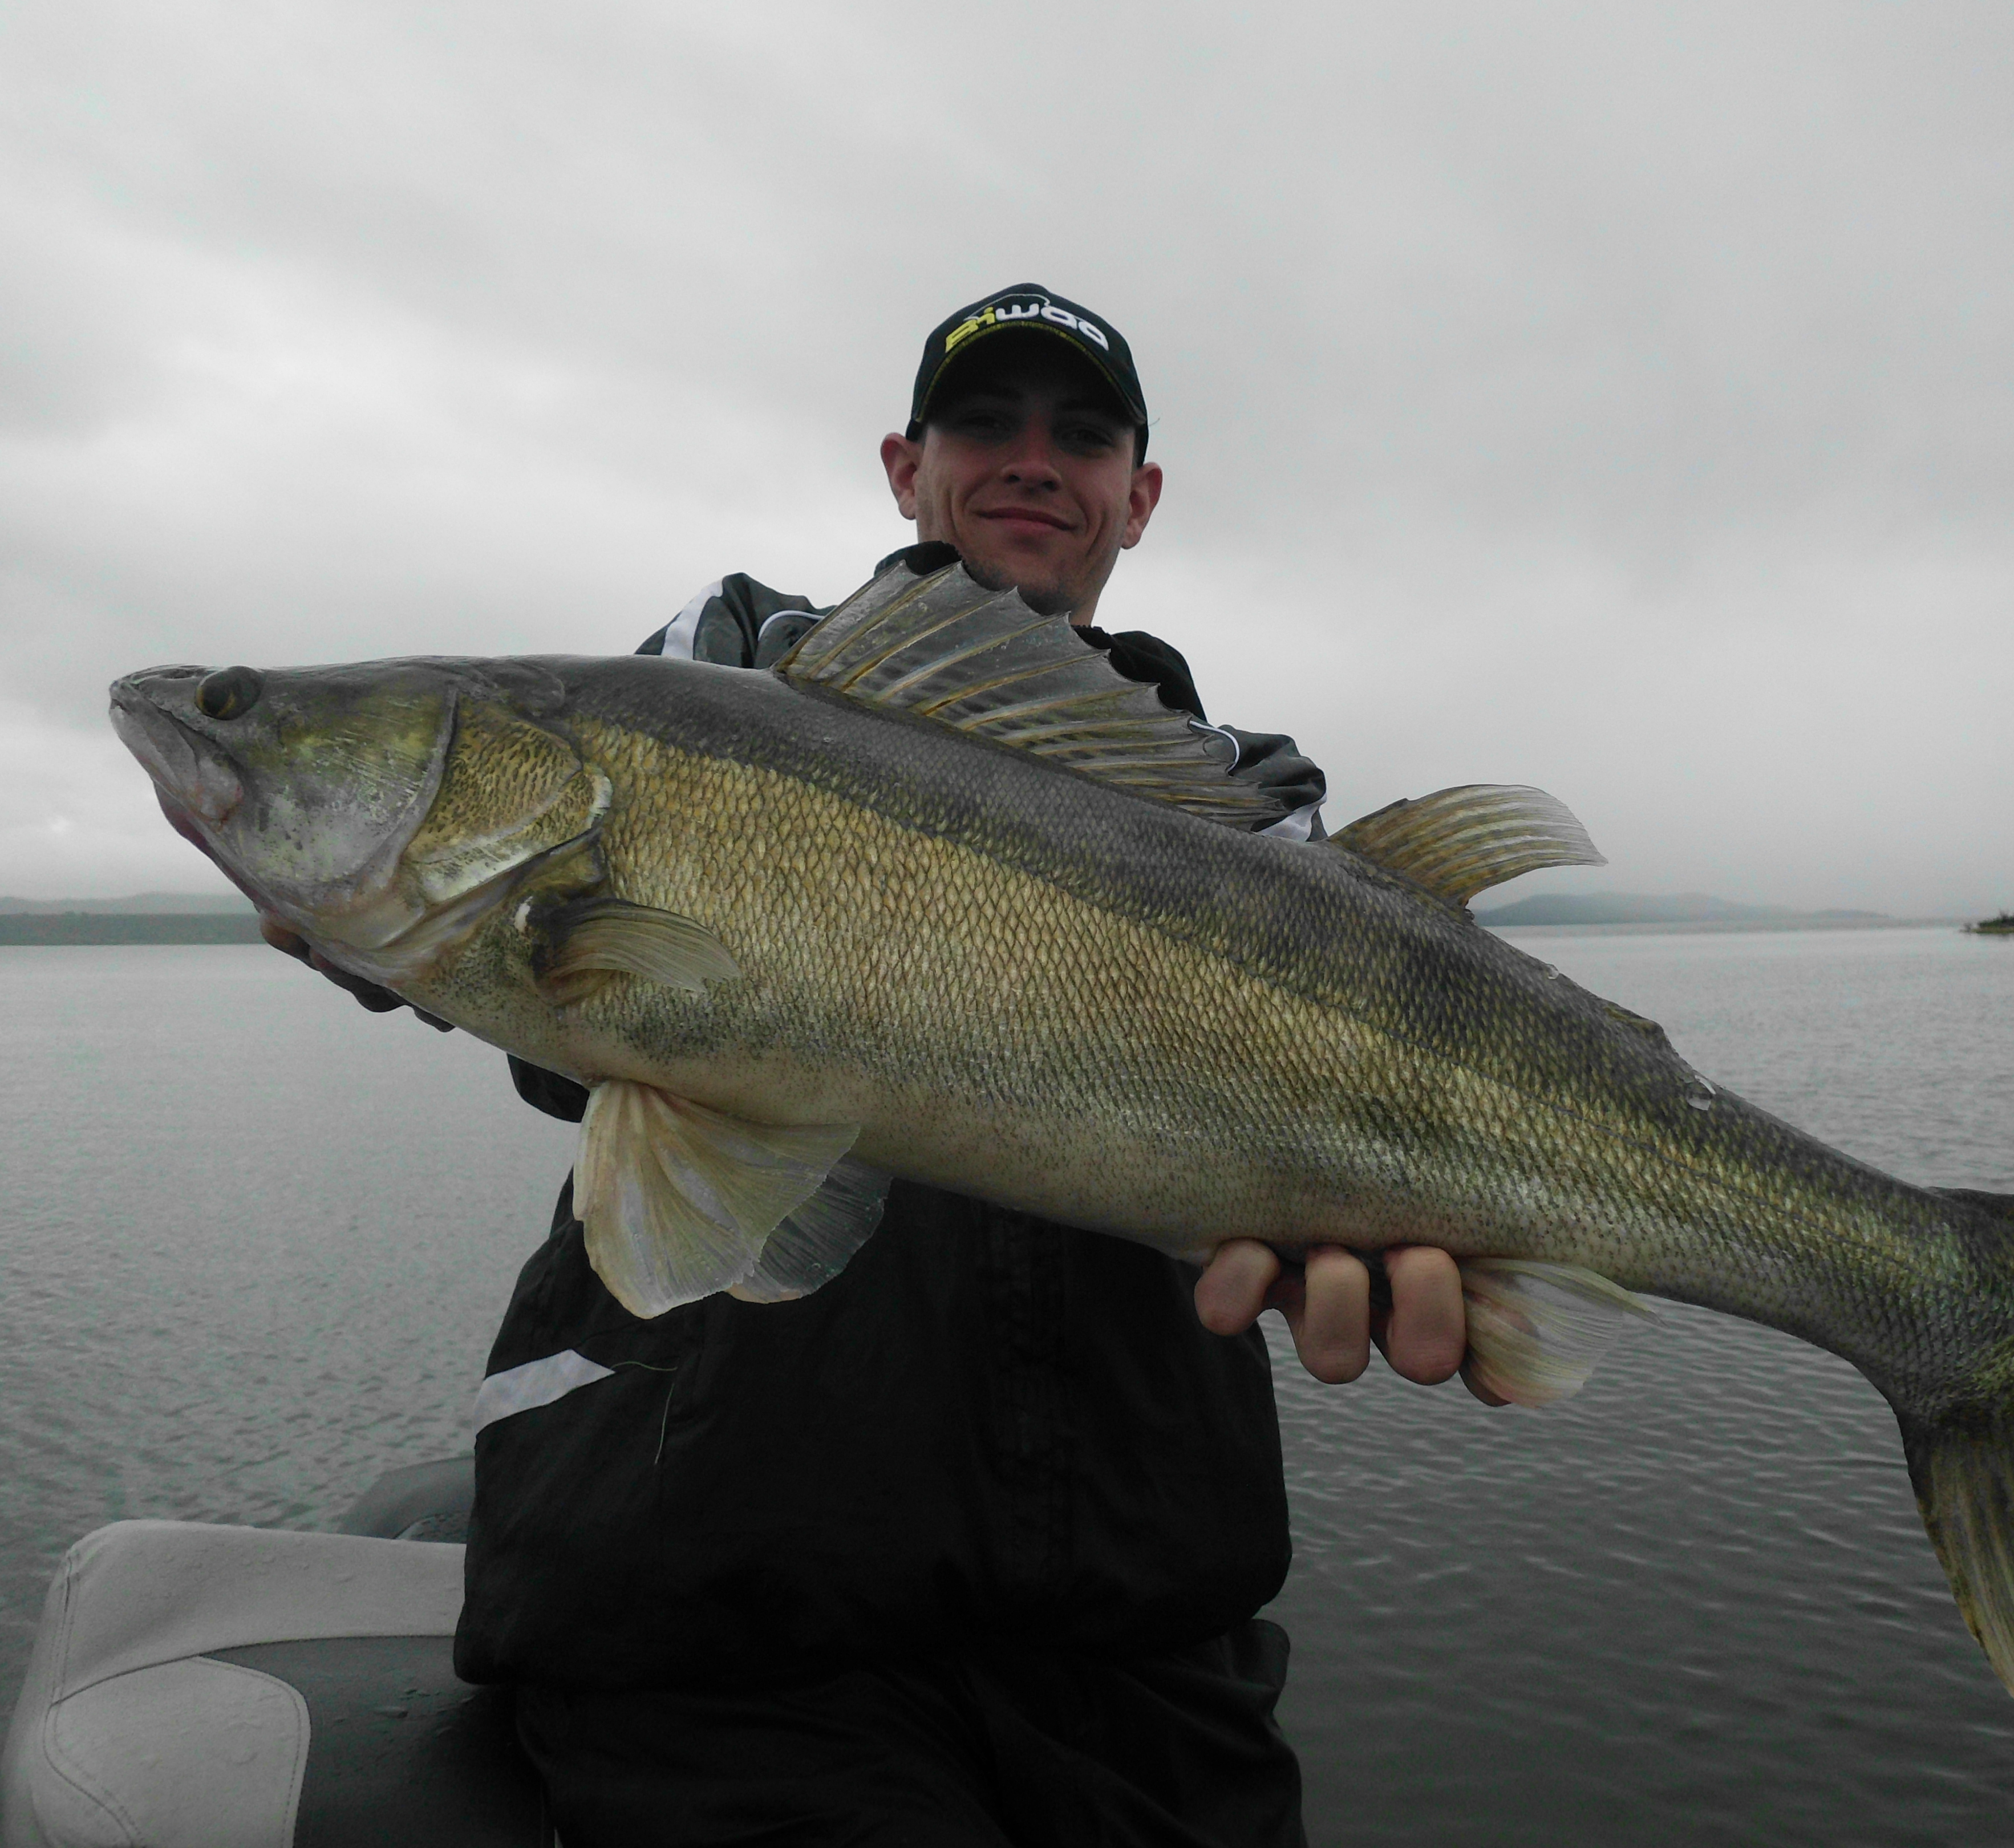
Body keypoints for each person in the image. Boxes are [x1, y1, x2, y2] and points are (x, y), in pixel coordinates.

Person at [274, 285, 1482, 1846]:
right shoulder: (730, 667)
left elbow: (1370, 1092)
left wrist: (1413, 1237)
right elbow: (571, 1017)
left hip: (1141, 1636)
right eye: (986, 424)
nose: (1033, 459)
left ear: (1143, 494)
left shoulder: (1246, 802)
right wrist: (410, 935)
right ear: (906, 469)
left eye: (1084, 432)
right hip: (719, 1610)